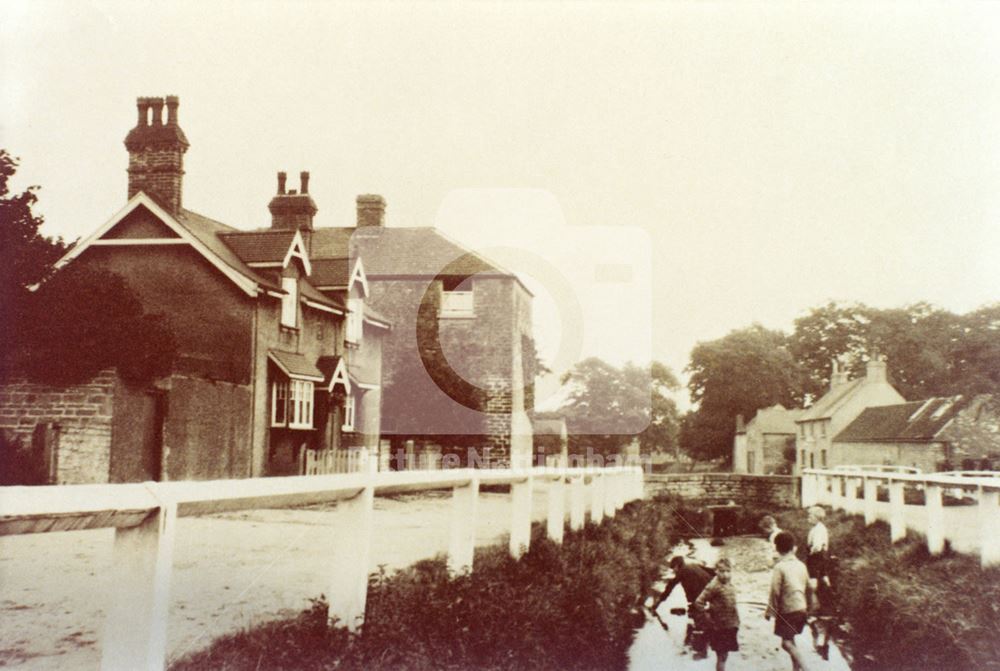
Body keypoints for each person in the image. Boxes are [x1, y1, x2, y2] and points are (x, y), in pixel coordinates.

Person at [765, 531, 814, 671]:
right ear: (793, 547)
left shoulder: (779, 567)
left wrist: (770, 611)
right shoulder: (801, 565)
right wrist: (808, 609)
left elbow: (775, 591)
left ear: (777, 548)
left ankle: (806, 668)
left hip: (788, 611)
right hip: (801, 609)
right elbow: (809, 588)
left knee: (786, 643)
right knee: (791, 640)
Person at [653, 555, 714, 659]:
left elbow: (671, 587)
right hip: (712, 587)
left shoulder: (682, 572)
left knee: (699, 621)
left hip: (703, 593)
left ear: (677, 566)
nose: (674, 571)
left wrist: (657, 604)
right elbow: (711, 571)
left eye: (673, 569)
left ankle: (704, 635)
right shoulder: (693, 565)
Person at [694, 557, 740, 671]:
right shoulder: (713, 585)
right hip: (719, 627)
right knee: (721, 656)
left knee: (725, 655)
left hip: (730, 624)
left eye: (728, 571)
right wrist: (708, 617)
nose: (725, 575)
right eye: (722, 571)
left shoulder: (729, 583)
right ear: (716, 571)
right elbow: (699, 602)